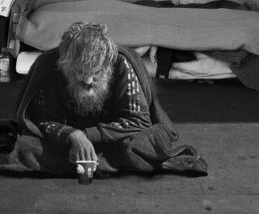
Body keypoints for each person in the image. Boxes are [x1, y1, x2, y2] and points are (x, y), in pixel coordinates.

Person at [15, 21, 207, 176]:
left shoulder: (120, 63)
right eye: (79, 72)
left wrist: (86, 136)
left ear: (107, 64)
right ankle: (99, 161)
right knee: (22, 145)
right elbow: (43, 119)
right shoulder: (50, 65)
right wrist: (73, 135)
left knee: (141, 143)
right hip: (66, 136)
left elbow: (138, 120)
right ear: (65, 63)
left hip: (115, 135)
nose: (88, 81)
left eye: (96, 72)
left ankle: (84, 160)